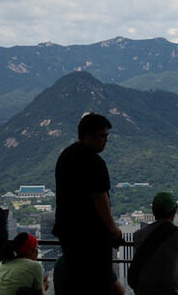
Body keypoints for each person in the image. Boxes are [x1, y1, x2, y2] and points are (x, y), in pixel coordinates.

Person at [52, 113, 123, 294]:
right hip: (91, 235)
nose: (106, 140)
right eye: (103, 135)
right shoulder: (94, 161)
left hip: (68, 233)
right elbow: (100, 197)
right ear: (89, 135)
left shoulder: (66, 156)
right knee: (97, 283)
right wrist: (113, 229)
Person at [130, 192, 178, 295]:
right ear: (174, 212)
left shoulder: (138, 235)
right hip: (172, 290)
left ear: (153, 211)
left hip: (143, 289)